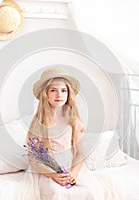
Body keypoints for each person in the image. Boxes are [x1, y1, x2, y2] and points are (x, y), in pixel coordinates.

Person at [18, 67, 122, 200]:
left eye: (63, 90)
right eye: (53, 90)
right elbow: (33, 159)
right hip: (47, 171)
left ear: (68, 94)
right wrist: (53, 175)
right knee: (56, 192)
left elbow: (79, 153)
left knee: (89, 191)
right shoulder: (39, 122)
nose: (59, 95)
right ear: (45, 93)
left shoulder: (73, 121)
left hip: (70, 168)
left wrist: (73, 172)